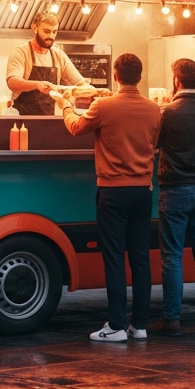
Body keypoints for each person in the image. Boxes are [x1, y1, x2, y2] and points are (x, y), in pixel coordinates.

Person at [55, 53, 161, 342]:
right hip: (142, 191)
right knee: (140, 258)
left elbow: (76, 127)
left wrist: (64, 104)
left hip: (113, 191)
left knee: (114, 258)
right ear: (139, 77)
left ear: (116, 76)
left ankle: (115, 325)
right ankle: (139, 326)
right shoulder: (154, 109)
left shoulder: (103, 106)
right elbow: (155, 142)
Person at [151, 58, 195, 336]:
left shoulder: (166, 113)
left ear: (176, 81)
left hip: (175, 190)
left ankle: (171, 320)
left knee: (172, 257)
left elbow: (154, 144)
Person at [7, 10, 87, 115]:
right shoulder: (21, 52)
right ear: (34, 28)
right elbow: (12, 82)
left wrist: (100, 95)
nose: (51, 36)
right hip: (23, 120)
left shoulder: (59, 55)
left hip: (49, 118)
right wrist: (37, 84)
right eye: (47, 31)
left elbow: (81, 83)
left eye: (54, 32)